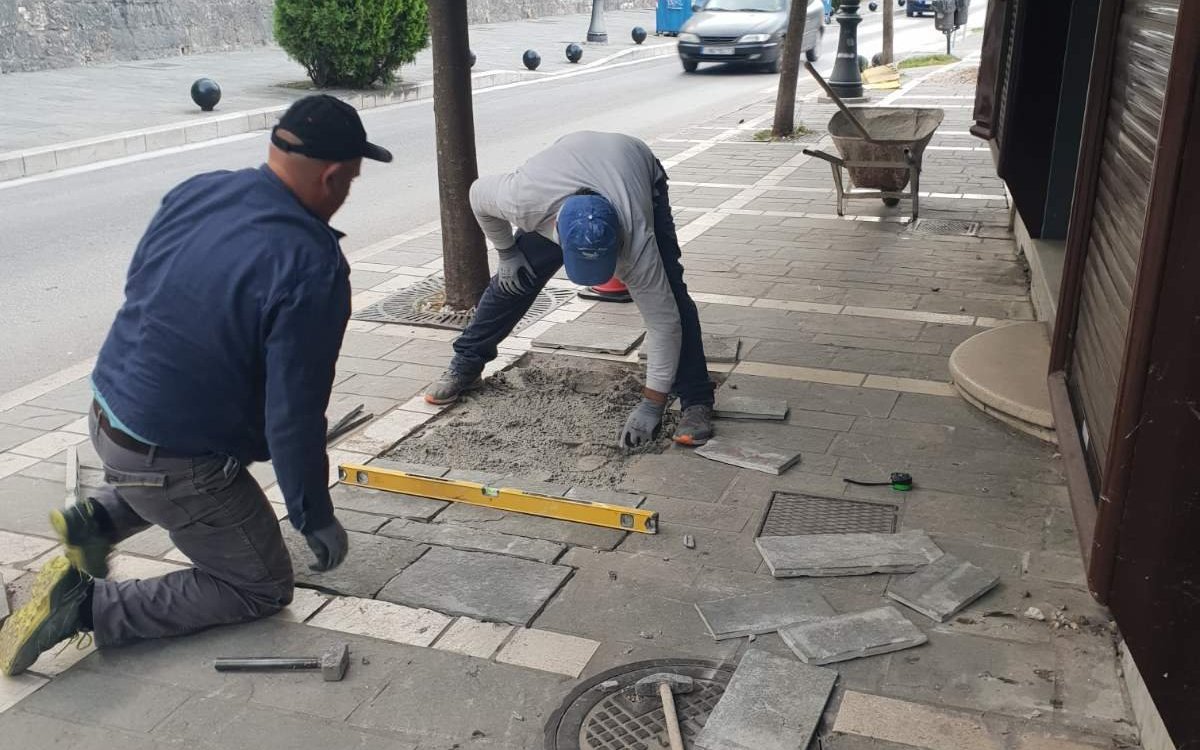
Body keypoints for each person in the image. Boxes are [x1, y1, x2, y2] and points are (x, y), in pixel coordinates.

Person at [0, 95, 392, 676]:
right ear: (333, 176)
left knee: (195, 473)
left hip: (110, 409)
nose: (347, 192)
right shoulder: (311, 264)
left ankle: (96, 520)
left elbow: (142, 283)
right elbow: (294, 413)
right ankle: (86, 607)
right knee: (257, 584)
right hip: (169, 457)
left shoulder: (201, 189)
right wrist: (312, 514)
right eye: (351, 180)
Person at [424, 131, 715, 449]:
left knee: (672, 298)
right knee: (515, 278)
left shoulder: (638, 242)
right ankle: (466, 363)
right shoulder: (524, 201)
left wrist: (652, 403)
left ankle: (696, 399)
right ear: (556, 232)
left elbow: (664, 324)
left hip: (635, 165)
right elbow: (477, 194)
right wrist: (506, 252)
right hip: (565, 172)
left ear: (618, 242)